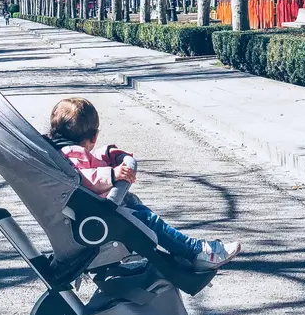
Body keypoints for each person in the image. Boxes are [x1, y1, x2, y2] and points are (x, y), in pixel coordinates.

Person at [47, 98, 242, 271]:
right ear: (94, 136)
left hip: (91, 210)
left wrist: (105, 153)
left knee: (139, 210)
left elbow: (85, 165)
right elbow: (84, 178)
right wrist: (113, 174)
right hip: (99, 216)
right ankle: (196, 251)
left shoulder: (61, 151)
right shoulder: (73, 153)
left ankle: (186, 249)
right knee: (148, 221)